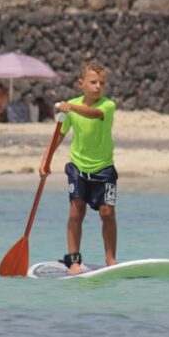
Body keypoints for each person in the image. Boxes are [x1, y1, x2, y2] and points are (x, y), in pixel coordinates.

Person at [40, 61, 117, 275]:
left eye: (102, 83)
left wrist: (70, 107)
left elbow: (91, 114)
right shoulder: (71, 108)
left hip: (104, 169)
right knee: (76, 212)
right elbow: (58, 135)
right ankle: (73, 261)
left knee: (107, 213)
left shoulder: (107, 106)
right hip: (78, 168)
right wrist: (45, 161)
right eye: (93, 82)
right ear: (81, 84)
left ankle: (110, 259)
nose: (98, 86)